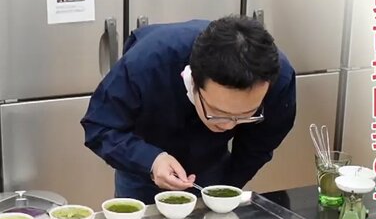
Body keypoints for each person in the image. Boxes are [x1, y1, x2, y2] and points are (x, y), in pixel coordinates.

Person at [81, 16, 296, 204]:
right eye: (217, 113)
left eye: (244, 115)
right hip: (142, 160)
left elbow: (258, 146)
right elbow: (100, 125)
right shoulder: (147, 63)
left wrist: (224, 188)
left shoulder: (278, 78)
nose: (228, 125)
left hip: (212, 161)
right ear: (193, 82)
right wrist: (150, 161)